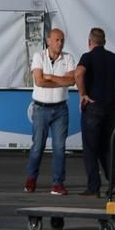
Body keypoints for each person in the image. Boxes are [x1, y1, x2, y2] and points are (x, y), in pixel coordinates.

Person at [74, 27, 115, 197]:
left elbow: (78, 73)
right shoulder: (114, 58)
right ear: (104, 42)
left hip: (93, 107)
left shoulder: (87, 57)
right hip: (110, 108)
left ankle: (93, 187)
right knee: (107, 147)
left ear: (90, 42)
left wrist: (83, 95)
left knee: (90, 148)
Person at [25, 28, 77, 195]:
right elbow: (39, 81)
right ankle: (31, 179)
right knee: (37, 146)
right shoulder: (38, 56)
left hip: (61, 109)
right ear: (48, 41)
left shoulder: (68, 58)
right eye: (57, 40)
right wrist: (59, 81)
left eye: (62, 40)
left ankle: (58, 183)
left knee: (59, 148)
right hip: (41, 108)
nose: (60, 43)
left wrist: (51, 77)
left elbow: (71, 81)